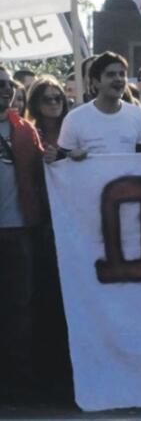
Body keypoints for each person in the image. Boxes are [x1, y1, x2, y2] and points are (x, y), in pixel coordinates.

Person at [0, 64, 48, 402]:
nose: (6, 90)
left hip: (19, 231)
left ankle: (19, 381)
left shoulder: (25, 131)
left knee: (20, 308)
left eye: (9, 85)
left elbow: (45, 170)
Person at [53, 52, 141, 162]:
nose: (118, 79)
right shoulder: (74, 119)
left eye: (122, 74)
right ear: (96, 82)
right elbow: (61, 162)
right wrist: (70, 155)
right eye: (111, 75)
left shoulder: (138, 115)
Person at [24, 76, 68, 149]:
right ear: (35, 104)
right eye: (46, 99)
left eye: (57, 98)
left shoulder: (73, 127)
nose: (53, 102)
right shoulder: (28, 133)